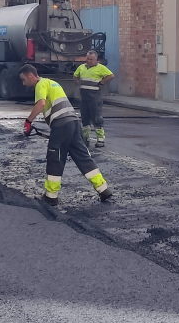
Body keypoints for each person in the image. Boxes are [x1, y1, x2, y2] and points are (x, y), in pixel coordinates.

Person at [19, 64, 112, 206]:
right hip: (74, 123)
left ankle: (51, 196)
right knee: (83, 157)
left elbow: (41, 103)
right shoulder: (53, 83)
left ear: (31, 76)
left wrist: (28, 121)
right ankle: (103, 189)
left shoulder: (40, 84)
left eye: (24, 80)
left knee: (55, 158)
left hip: (61, 125)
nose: (23, 83)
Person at [73, 50, 114, 147]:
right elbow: (75, 76)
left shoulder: (100, 68)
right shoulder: (81, 67)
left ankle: (100, 139)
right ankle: (85, 138)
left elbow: (111, 76)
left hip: (94, 97)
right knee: (85, 118)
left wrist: (102, 82)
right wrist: (79, 83)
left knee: (97, 118)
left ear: (96, 60)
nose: (89, 61)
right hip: (84, 97)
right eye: (87, 59)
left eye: (91, 59)